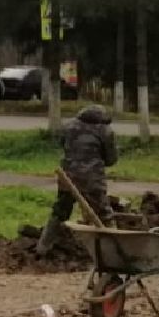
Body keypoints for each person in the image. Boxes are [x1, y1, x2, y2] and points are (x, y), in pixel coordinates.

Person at [41, 104, 119, 257]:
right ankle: (115, 252)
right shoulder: (105, 131)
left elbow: (62, 144)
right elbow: (111, 159)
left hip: (67, 178)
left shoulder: (69, 126)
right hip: (92, 180)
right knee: (104, 214)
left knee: (60, 211)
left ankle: (43, 247)